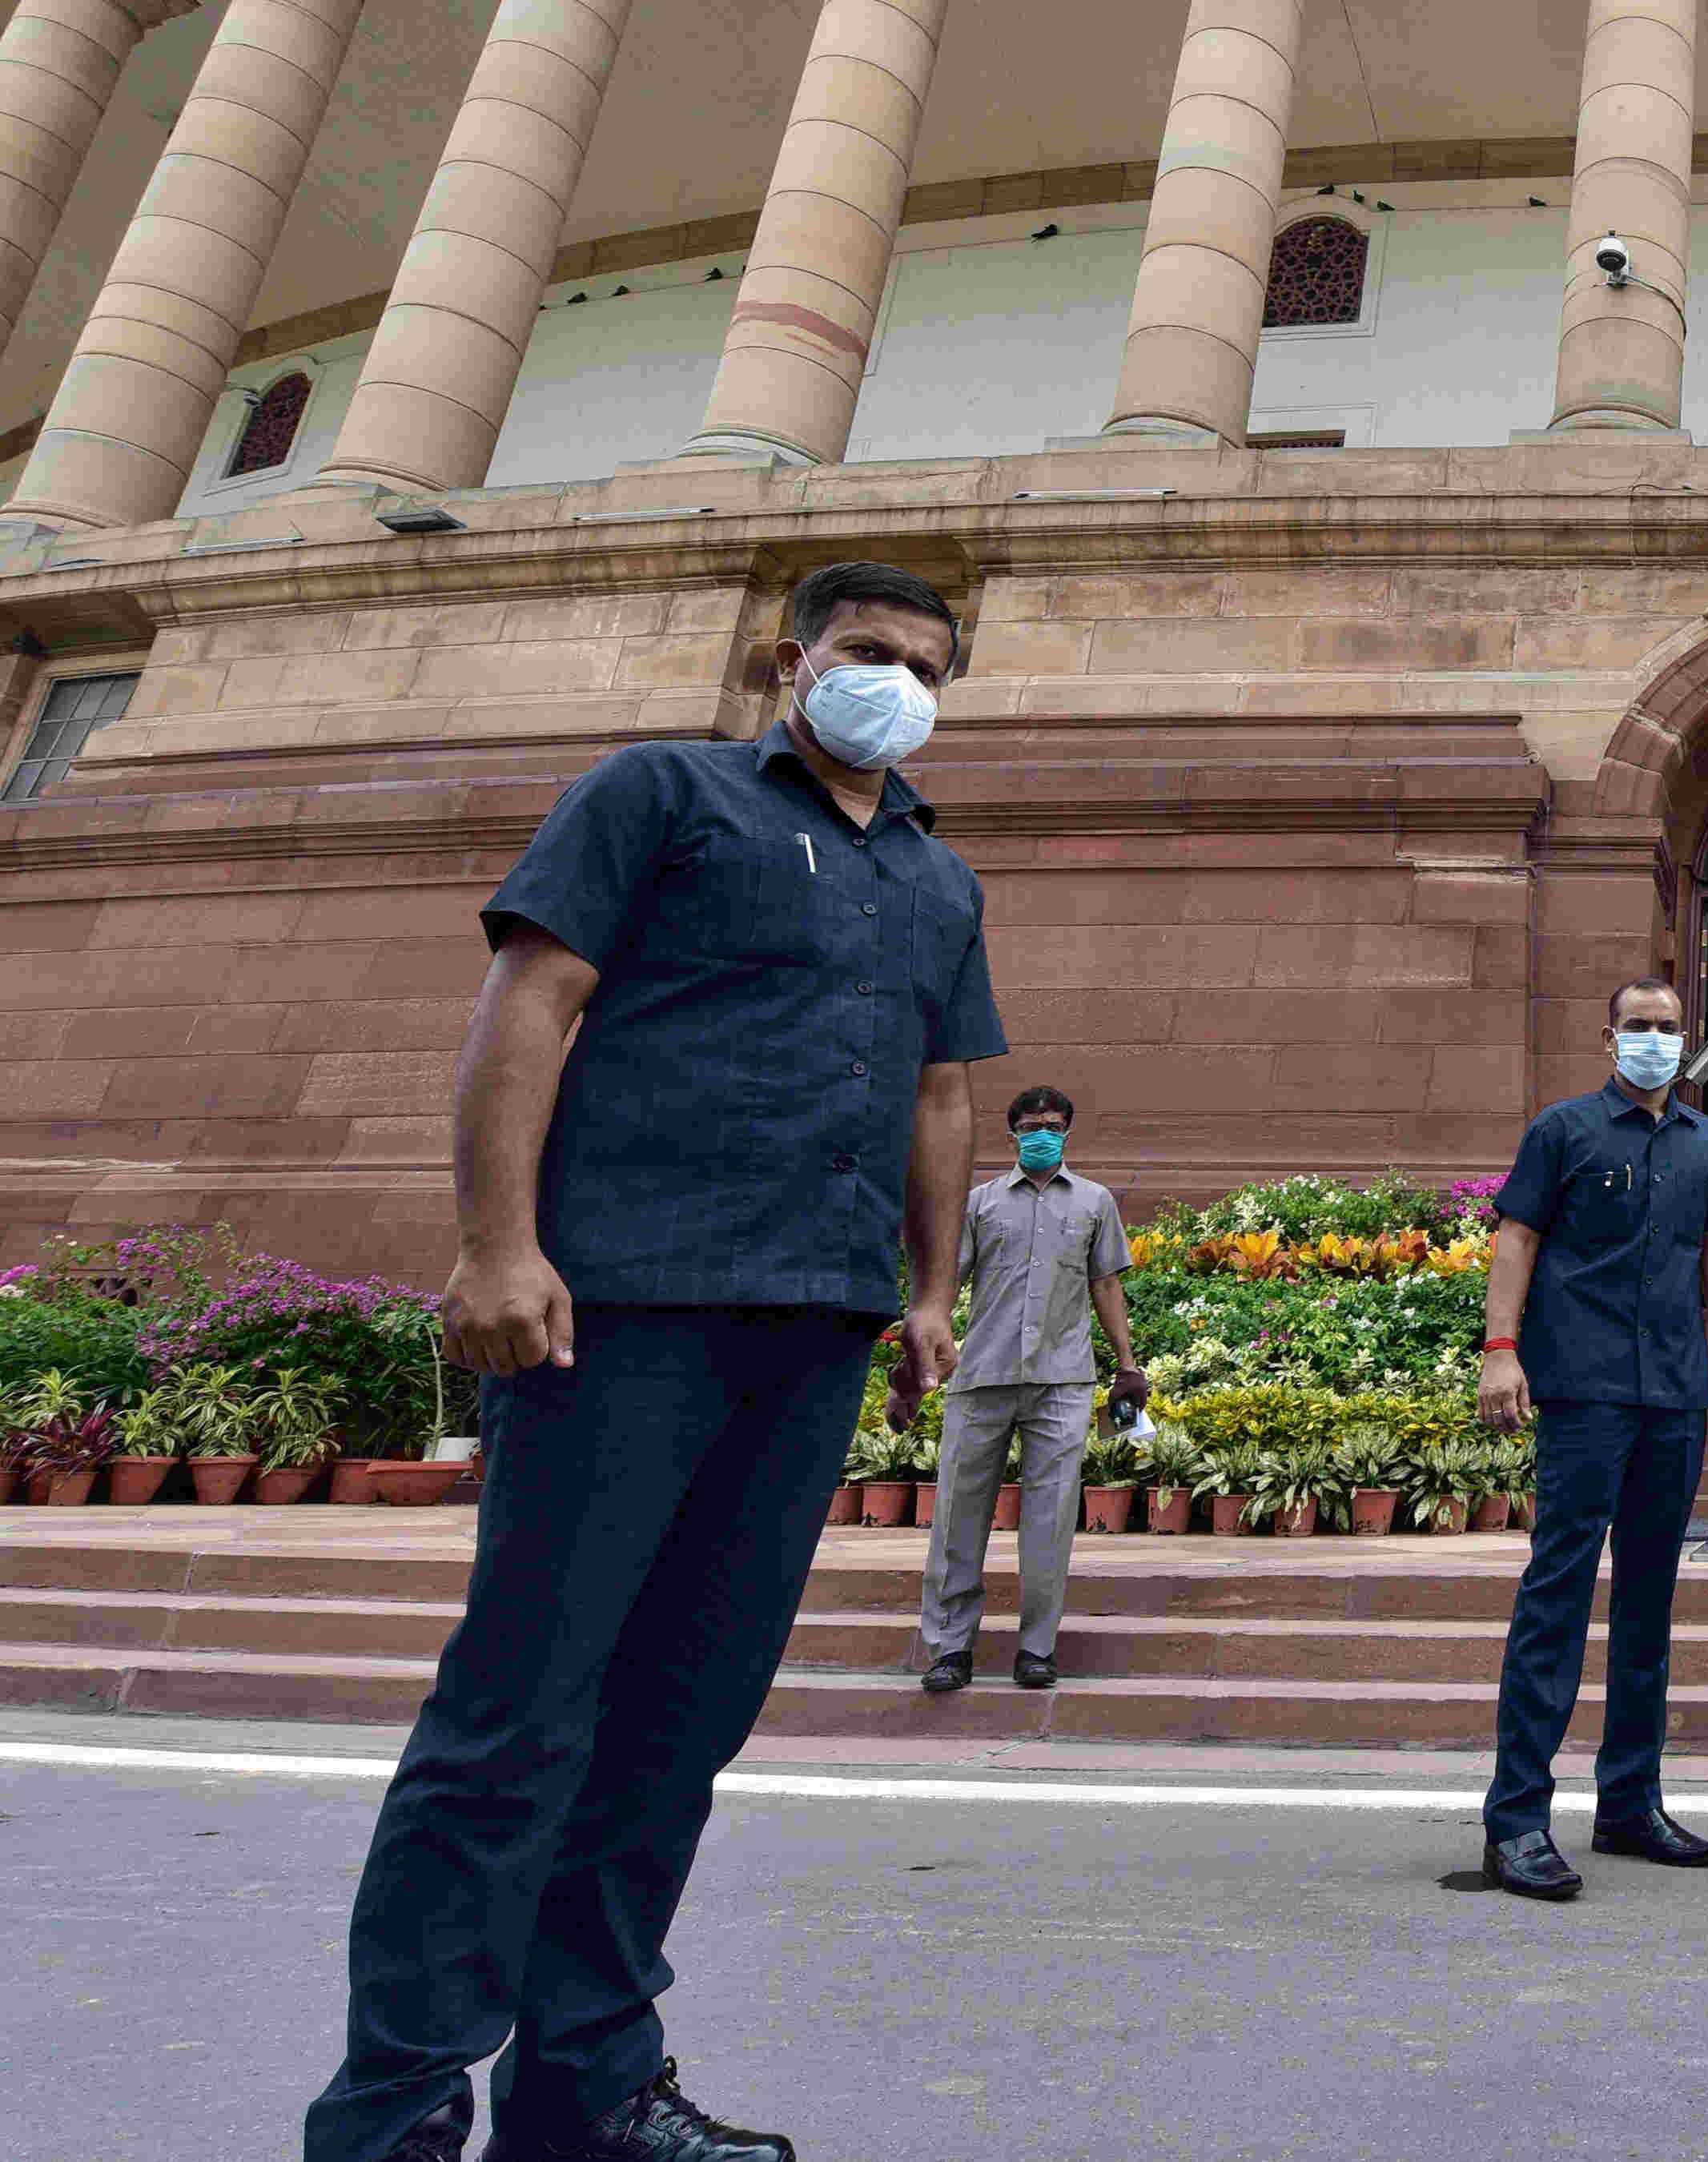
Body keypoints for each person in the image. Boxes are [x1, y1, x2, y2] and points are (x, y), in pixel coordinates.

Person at [307, 562, 1000, 2162]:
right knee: (519, 1715)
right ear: (791, 660)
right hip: (620, 1303)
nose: (895, 682)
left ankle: (586, 2088)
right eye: (868, 654)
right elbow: (533, 1000)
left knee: (680, 1727)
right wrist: (498, 1245)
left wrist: (927, 1291)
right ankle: (396, 2105)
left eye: (927, 668)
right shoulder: (660, 794)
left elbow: (941, 1098)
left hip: (814, 1326)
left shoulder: (936, 878)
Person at [1473, 976, 1708, 1899]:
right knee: (1558, 1596)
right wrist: (1500, 1351)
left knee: (1650, 1602)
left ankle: (1628, 1804)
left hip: (1673, 1394)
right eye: (1638, 1027)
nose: (1653, 1040)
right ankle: (1517, 1819)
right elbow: (1516, 1241)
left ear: (1688, 1039)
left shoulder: (1707, 1141)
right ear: (1609, 1037)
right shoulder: (1564, 1131)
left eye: (1668, 1027)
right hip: (1584, 1388)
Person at [915, 1086, 1144, 1693]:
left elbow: (1107, 1287)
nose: (1041, 1132)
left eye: (1052, 1124)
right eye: (1030, 1124)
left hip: (1063, 1381)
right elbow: (943, 1285)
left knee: (1050, 1520)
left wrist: (1128, 1365)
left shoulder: (1095, 1203)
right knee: (958, 1518)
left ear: (1068, 1130)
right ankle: (948, 1650)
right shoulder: (980, 1204)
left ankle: (1036, 1649)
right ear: (1010, 1132)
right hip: (981, 1377)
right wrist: (918, 1356)